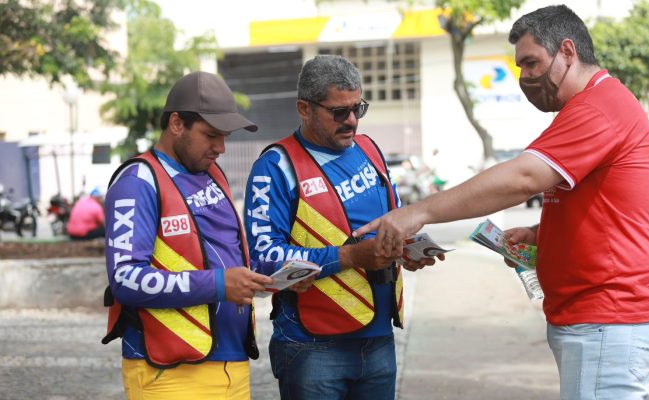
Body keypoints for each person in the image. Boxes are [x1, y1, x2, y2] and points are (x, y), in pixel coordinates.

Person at [355, 5, 649, 399]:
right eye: (520, 67)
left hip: (612, 311)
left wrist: (417, 211)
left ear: (567, 51)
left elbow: (523, 178)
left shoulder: (599, 106)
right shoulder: (587, 106)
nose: (524, 77)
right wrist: (544, 234)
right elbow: (614, 208)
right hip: (599, 314)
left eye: (531, 63)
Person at [243, 55, 440, 400]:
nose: (351, 121)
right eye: (339, 112)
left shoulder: (369, 150)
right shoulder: (275, 167)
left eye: (358, 108)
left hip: (378, 337)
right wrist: (349, 257)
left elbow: (390, 221)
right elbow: (263, 258)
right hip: (312, 347)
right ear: (304, 108)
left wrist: (406, 249)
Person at [101, 71, 279, 400]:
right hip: (168, 373)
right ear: (177, 124)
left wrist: (272, 276)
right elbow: (125, 279)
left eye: (224, 136)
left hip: (233, 365)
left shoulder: (211, 173)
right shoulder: (137, 181)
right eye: (211, 135)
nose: (221, 148)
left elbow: (228, 256)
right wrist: (220, 285)